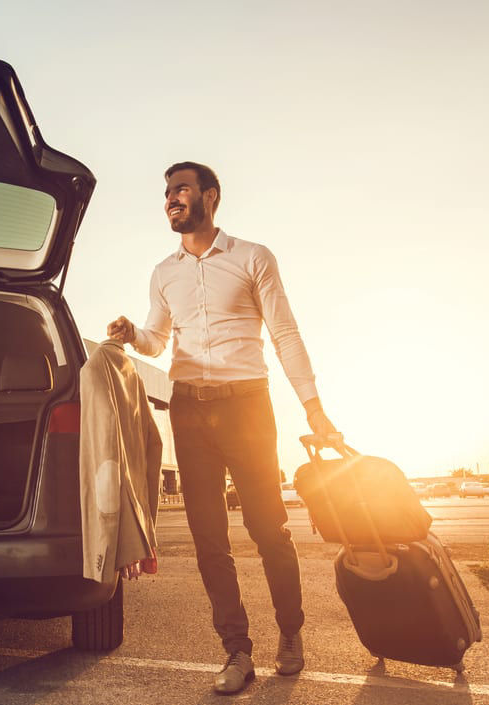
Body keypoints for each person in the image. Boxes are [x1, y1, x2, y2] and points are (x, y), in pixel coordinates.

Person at [108, 162, 338, 695]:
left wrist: (314, 408)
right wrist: (132, 334)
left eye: (181, 189)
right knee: (210, 539)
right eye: (166, 192)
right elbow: (158, 339)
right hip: (188, 408)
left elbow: (284, 333)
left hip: (247, 407)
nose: (171, 198)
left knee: (268, 530)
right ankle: (236, 651)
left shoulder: (253, 257)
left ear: (211, 197)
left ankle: (291, 633)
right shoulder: (163, 272)